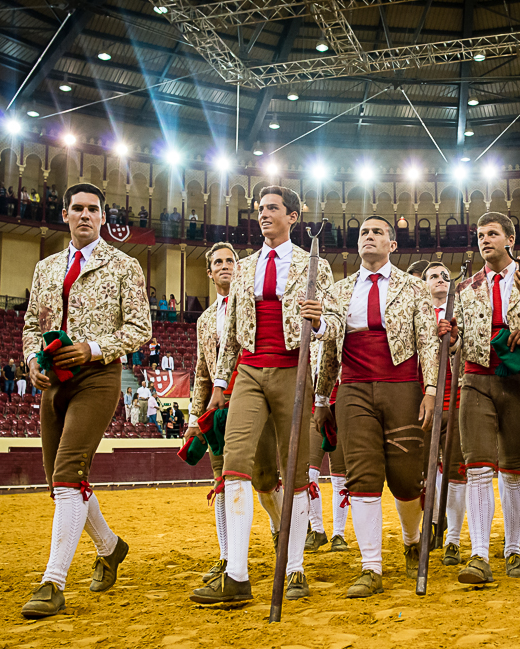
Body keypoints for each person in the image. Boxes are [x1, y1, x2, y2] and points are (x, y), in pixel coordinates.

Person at [190, 185, 339, 605]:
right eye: (260, 209)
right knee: (235, 464)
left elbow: (335, 323)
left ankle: (294, 567)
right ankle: (236, 575)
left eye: (273, 208)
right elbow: (232, 337)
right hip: (250, 372)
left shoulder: (314, 265)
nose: (263, 214)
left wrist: (320, 321)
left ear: (292, 217)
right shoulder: (245, 268)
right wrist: (221, 384)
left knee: (295, 472)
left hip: (294, 371)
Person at [20, 182, 152, 619]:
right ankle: (110, 548)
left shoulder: (124, 265)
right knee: (60, 483)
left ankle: (53, 582)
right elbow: (30, 325)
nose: (85, 215)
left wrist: (93, 348)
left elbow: (141, 328)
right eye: (77, 208)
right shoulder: (46, 268)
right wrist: (31, 361)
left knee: (66, 475)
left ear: (102, 217)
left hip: (98, 376)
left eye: (92, 209)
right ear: (65, 214)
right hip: (54, 381)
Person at [313, 215, 437, 599]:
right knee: (362, 477)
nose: (369, 236)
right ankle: (371, 566)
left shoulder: (414, 287)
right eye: (364, 232)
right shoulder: (338, 291)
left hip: (403, 387)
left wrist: (431, 389)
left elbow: (427, 341)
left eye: (377, 232)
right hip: (353, 388)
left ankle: (412, 539)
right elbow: (329, 345)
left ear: (392, 244)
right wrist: (322, 397)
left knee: (406, 479)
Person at [441, 211, 520, 585]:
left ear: (510, 239)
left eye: (492, 233)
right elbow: (460, 340)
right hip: (476, 379)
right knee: (478, 467)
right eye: (480, 235)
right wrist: (452, 339)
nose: (485, 240)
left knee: (513, 468)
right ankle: (480, 554)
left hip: (518, 380)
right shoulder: (465, 288)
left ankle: (512, 550)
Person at [183, 242, 239, 582]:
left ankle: (282, 538)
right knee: (221, 480)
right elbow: (203, 372)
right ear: (209, 272)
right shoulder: (204, 320)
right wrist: (194, 419)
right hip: (218, 408)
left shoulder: (252, 307)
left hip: (251, 398)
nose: (225, 266)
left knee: (266, 479)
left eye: (230, 260)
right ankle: (227, 555)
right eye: (218, 262)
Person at [421, 261, 467, 566]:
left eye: (445, 276)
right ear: (424, 284)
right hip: (424, 401)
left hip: (458, 398)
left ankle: (453, 539)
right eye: (433, 276)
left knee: (456, 472)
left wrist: (455, 341)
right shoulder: (417, 312)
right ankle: (432, 526)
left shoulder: (462, 311)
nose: (440, 280)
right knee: (424, 473)